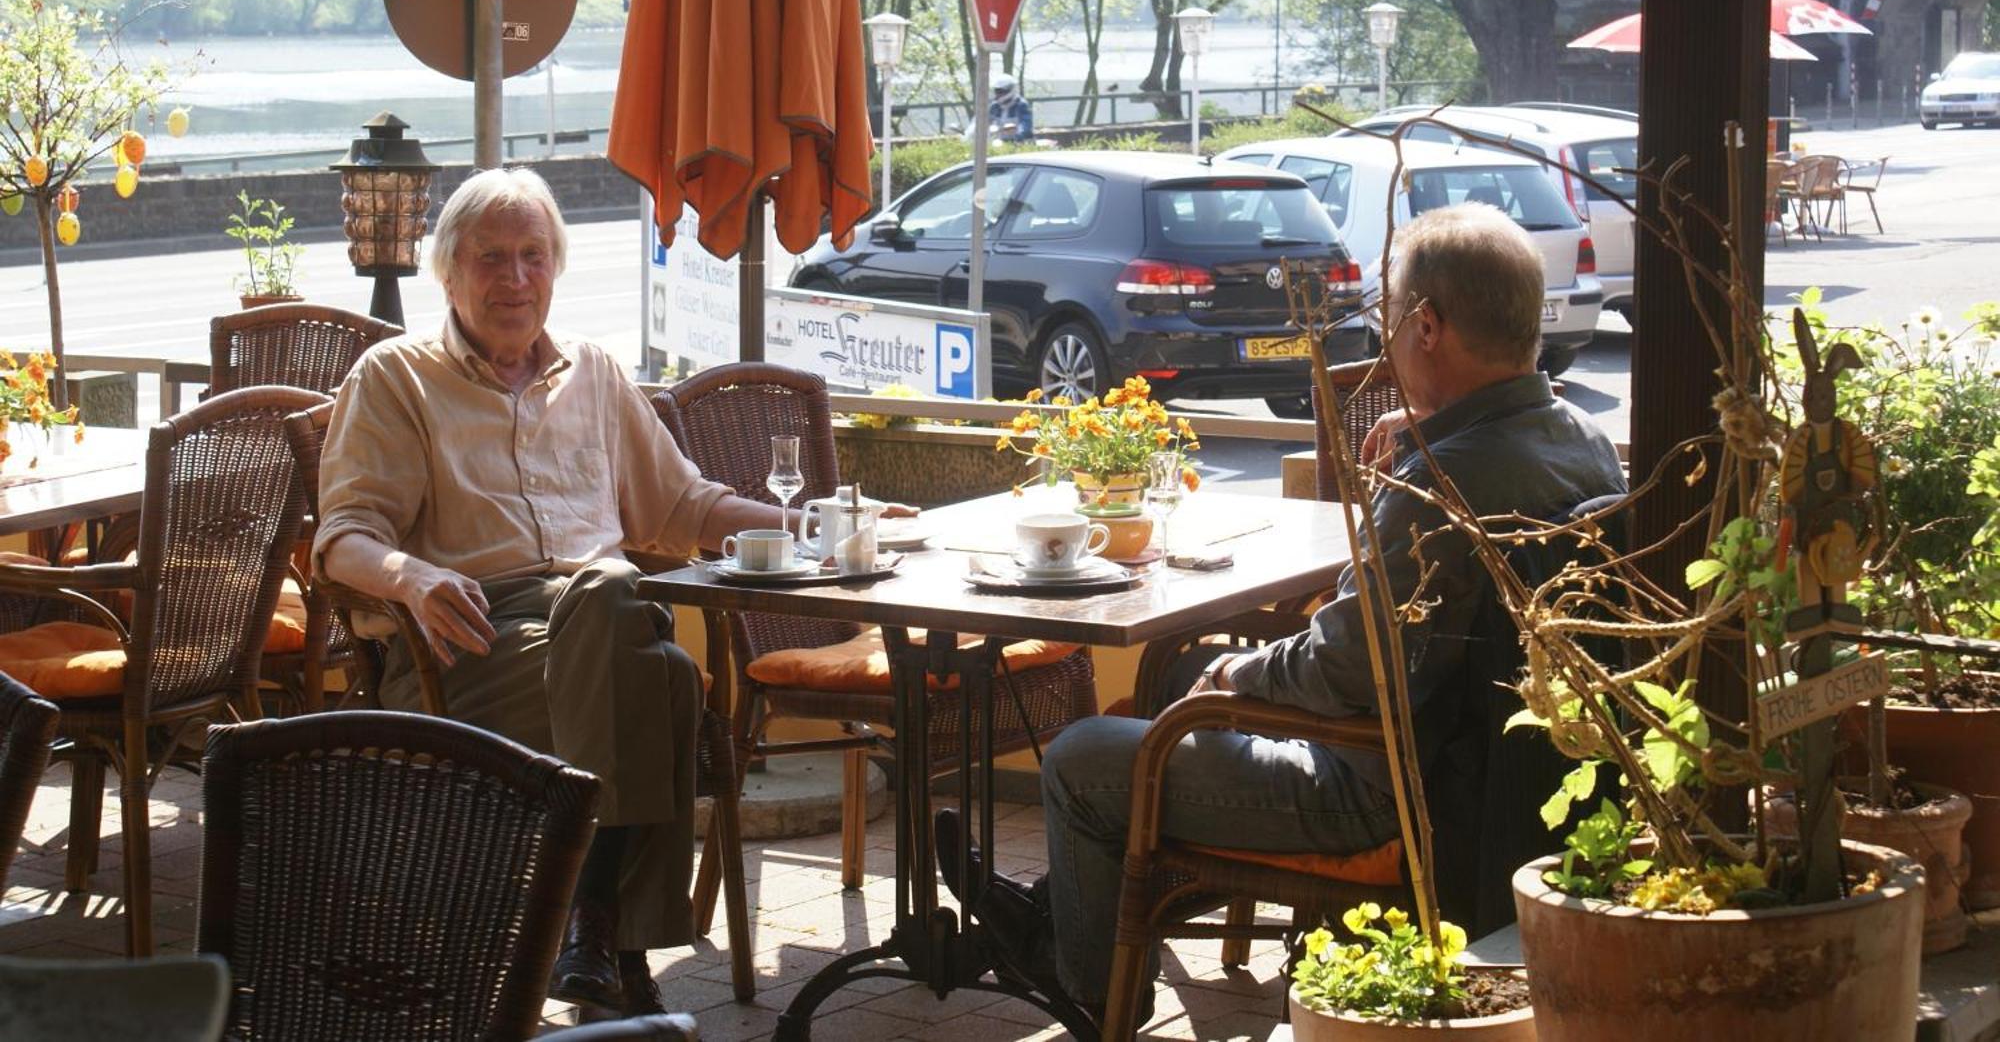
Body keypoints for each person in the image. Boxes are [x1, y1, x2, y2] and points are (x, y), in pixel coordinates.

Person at [937, 202, 1625, 1021]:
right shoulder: (1582, 439)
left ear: (1430, 326)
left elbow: (1343, 668)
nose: (1385, 341)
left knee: (1084, 755)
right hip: (1495, 778)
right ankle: (1058, 913)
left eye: (1390, 317)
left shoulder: (1441, 485)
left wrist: (1241, 670)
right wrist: (1432, 428)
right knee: (1168, 694)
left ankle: (1080, 984)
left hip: (1379, 791)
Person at [314, 167, 790, 1017]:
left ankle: (596, 932)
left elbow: (683, 504)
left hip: (599, 625)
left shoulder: (594, 373)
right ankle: (622, 947)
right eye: (492, 258)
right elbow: (344, 537)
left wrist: (810, 523)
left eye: (533, 256)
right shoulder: (395, 377)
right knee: (660, 669)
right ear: (449, 273)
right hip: (467, 642)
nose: (515, 279)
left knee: (624, 616)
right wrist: (413, 578)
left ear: (557, 268)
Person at [965, 71, 1034, 142]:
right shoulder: (994, 106)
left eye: (1000, 91)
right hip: (998, 142)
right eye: (996, 91)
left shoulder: (1021, 105)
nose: (997, 94)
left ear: (1010, 90)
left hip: (1018, 143)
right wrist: (969, 134)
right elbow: (980, 121)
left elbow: (1025, 126)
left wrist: (1018, 135)